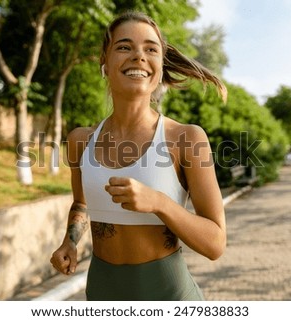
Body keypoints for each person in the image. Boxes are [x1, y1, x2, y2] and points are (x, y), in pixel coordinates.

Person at [50, 11, 227, 301]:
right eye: (123, 46)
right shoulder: (80, 141)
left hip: (169, 296)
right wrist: (69, 242)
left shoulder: (186, 139)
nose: (138, 56)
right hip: (102, 294)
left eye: (150, 49)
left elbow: (216, 243)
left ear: (159, 65)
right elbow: (82, 202)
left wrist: (159, 203)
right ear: (104, 62)